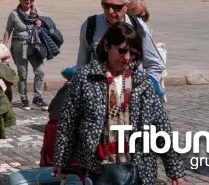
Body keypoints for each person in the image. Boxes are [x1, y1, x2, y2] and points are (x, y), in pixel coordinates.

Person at [53, 22, 185, 185]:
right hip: (97, 169)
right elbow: (68, 123)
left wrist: (175, 172)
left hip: (138, 171)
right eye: (122, 50)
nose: (127, 58)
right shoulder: (85, 78)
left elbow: (162, 127)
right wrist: (61, 161)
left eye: (133, 53)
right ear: (107, 45)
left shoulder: (143, 83)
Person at [76, 0, 165, 87]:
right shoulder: (90, 25)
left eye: (116, 7)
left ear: (126, 6)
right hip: (97, 92)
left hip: (131, 90)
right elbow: (81, 63)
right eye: (105, 6)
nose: (110, 11)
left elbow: (155, 63)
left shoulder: (139, 27)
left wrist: (146, 87)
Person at [2, 0, 47, 111]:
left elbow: (46, 27)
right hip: (19, 47)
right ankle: (24, 99)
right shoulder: (14, 14)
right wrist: (3, 47)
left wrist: (40, 24)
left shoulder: (37, 12)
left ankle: (38, 97)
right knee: (22, 74)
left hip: (35, 47)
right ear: (20, 0)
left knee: (40, 71)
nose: (28, 1)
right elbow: (8, 30)